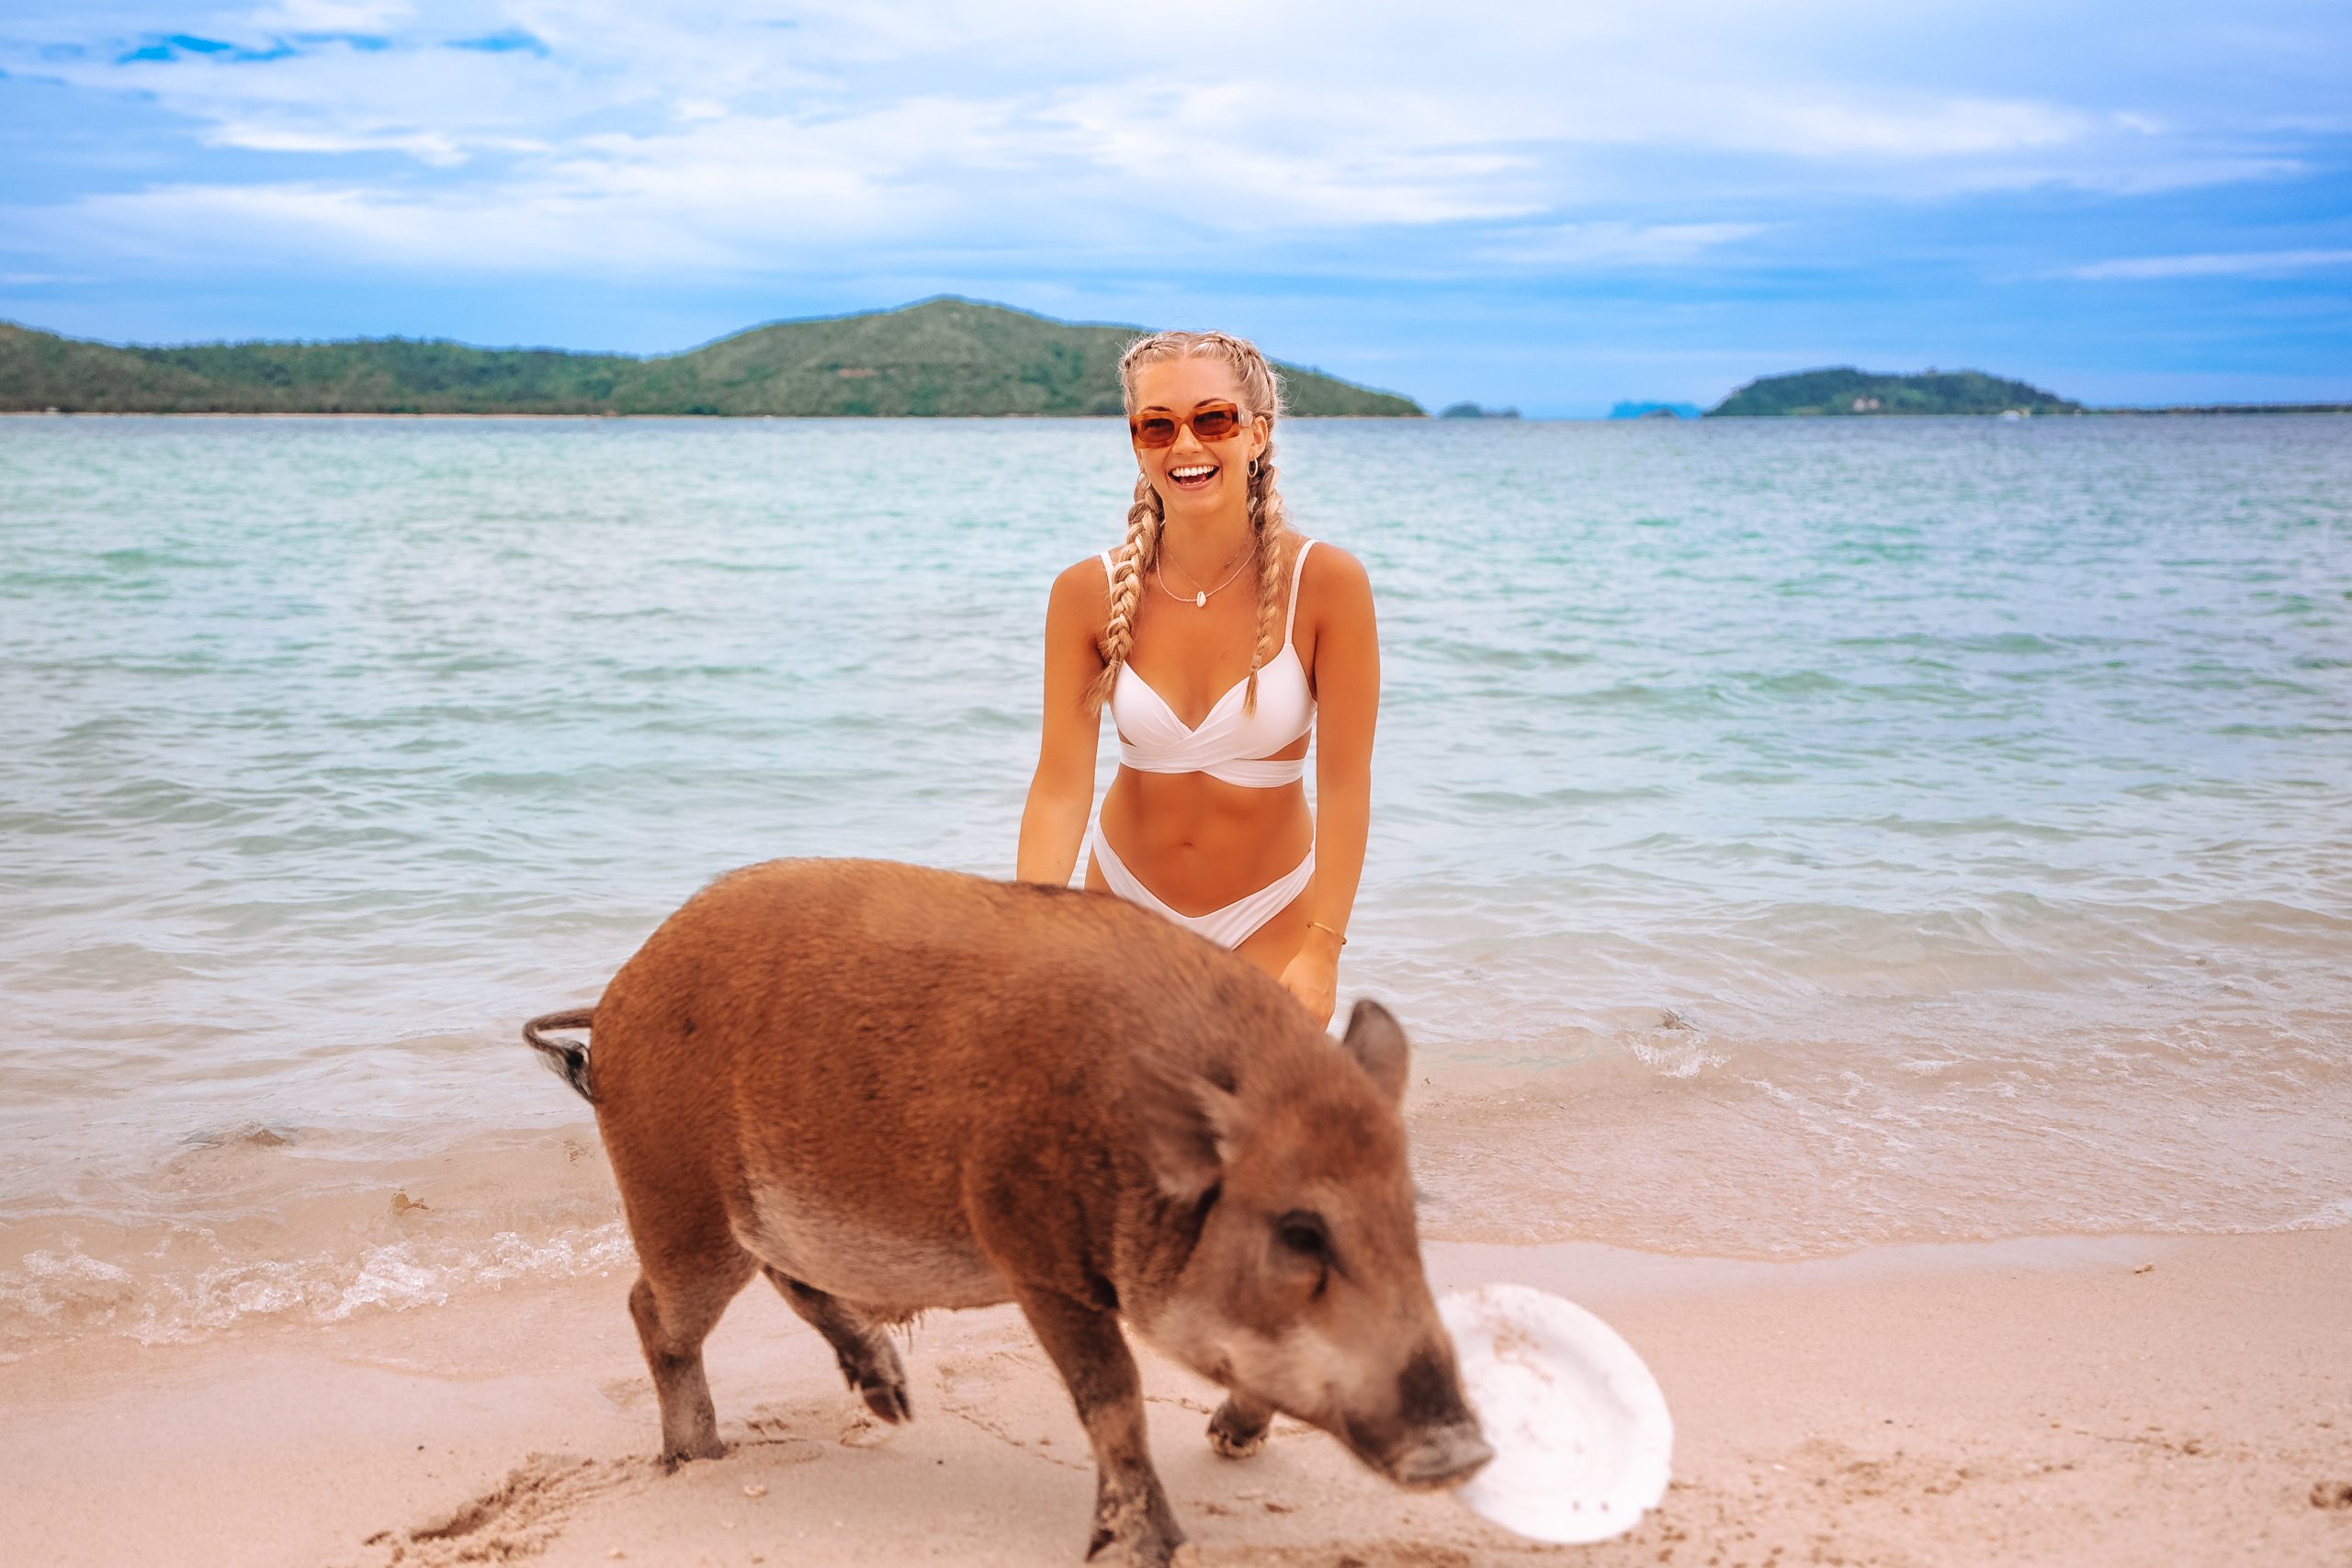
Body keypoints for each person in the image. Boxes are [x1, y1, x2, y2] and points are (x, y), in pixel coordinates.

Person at [1016, 330, 1379, 1029]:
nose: (1186, 446)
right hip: (1120, 912)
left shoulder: (1327, 584)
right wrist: (1023, 931)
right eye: (1159, 425)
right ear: (1136, 441)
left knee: (1260, 1133)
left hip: (1272, 915)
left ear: (1258, 433)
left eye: (1213, 419)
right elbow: (1061, 786)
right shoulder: (1084, 592)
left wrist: (1323, 949)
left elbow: (1345, 785)